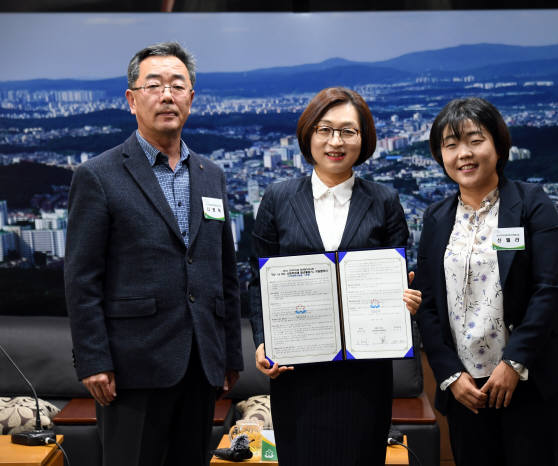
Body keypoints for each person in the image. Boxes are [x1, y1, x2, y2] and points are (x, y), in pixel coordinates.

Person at [64, 42, 243, 466]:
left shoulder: (210, 174)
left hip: (201, 366)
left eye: (177, 85)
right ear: (131, 99)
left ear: (191, 98)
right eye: (154, 85)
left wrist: (230, 355)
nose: (167, 95)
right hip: (131, 368)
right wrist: (93, 360)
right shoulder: (99, 175)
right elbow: (82, 278)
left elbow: (224, 272)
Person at [248, 87, 422, 466]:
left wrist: (408, 299)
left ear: (365, 139)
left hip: (365, 372)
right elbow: (257, 281)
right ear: (308, 134)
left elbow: (401, 280)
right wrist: (263, 343)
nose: (335, 141)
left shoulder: (384, 200)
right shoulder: (277, 198)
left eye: (348, 131)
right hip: (297, 370)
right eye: (325, 129)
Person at [413, 97, 558, 466]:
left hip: (530, 380)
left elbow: (549, 290)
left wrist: (513, 363)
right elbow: (427, 303)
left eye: (476, 140)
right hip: (465, 389)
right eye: (451, 144)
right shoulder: (436, 218)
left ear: (499, 144)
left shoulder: (531, 204)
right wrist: (448, 374)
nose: (464, 154)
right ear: (439, 155)